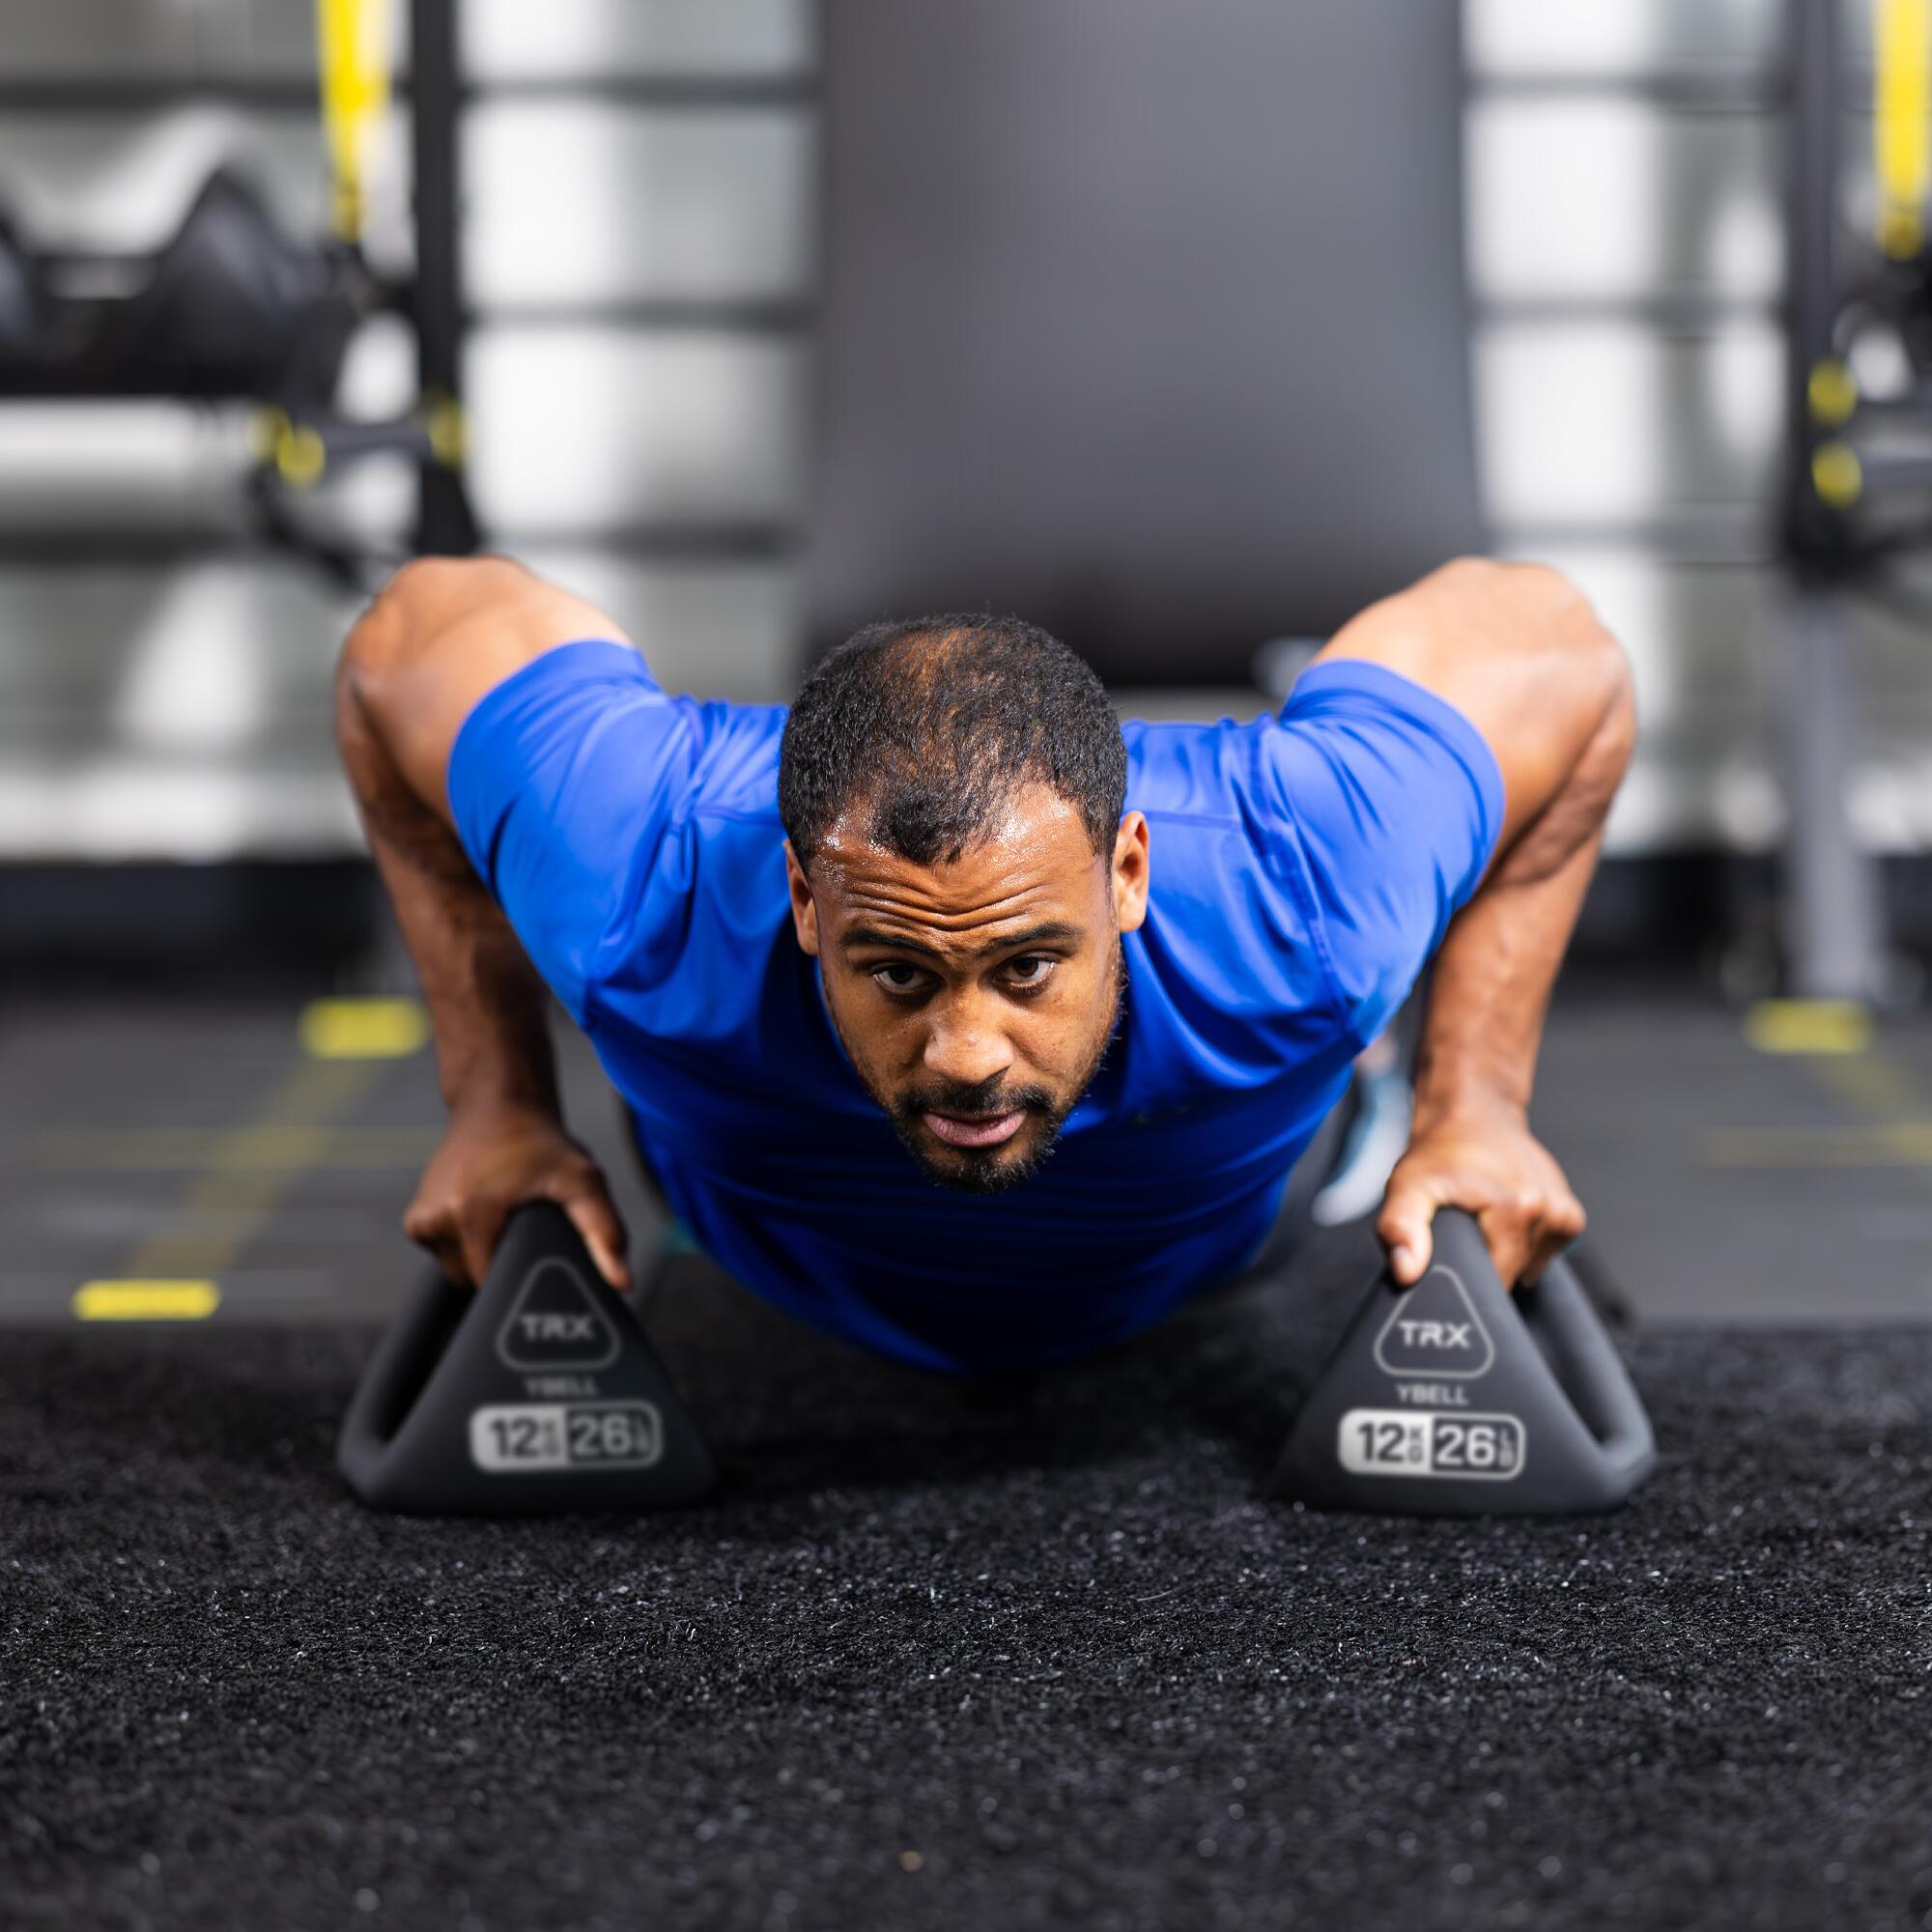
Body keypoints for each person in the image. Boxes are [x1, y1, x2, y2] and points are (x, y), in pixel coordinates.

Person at [335, 555, 1633, 1373]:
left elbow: (1569, 655)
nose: (966, 1059)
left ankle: (1390, 1084)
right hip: (760, 1249)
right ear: (803, 898)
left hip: (1222, 1243)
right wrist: (499, 1111)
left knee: (1351, 1024)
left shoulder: (1303, 881)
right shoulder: (641, 870)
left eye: (1025, 968)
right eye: (900, 972)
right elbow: (397, 644)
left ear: (1130, 876)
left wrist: (1478, 1108)